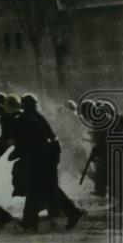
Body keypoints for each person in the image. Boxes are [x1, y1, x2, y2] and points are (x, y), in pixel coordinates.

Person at [17, 94, 84, 231]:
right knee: (49, 188)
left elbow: (28, 141)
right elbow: (51, 136)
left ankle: (30, 222)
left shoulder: (28, 118)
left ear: (26, 106)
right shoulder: (39, 117)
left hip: (40, 159)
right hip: (47, 158)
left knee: (37, 188)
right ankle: (72, 213)